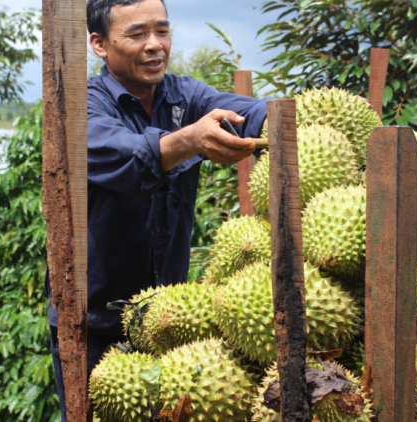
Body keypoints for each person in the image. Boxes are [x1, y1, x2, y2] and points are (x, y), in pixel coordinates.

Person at [46, 0, 268, 419]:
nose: (155, 45)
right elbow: (125, 156)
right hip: (91, 322)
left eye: (162, 31)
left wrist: (286, 118)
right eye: (137, 34)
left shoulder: (185, 95)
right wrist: (189, 141)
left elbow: (249, 111)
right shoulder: (80, 107)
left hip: (167, 319)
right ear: (99, 43)